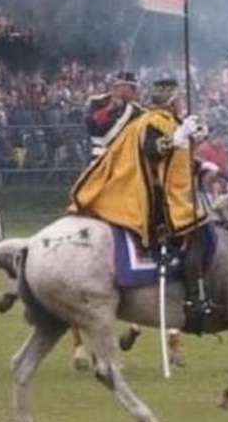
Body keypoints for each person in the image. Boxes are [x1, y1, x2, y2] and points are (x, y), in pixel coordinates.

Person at [70, 79, 213, 326]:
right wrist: (178, 136)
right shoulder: (152, 121)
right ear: (170, 101)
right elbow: (152, 151)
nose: (180, 103)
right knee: (197, 235)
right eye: (177, 99)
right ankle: (194, 300)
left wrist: (196, 155)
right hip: (163, 197)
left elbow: (175, 161)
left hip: (176, 190)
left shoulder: (168, 121)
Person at [85, 71, 143, 161]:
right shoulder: (99, 102)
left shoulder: (137, 111)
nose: (135, 92)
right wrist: (109, 109)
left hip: (124, 159)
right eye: (132, 88)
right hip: (100, 157)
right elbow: (91, 125)